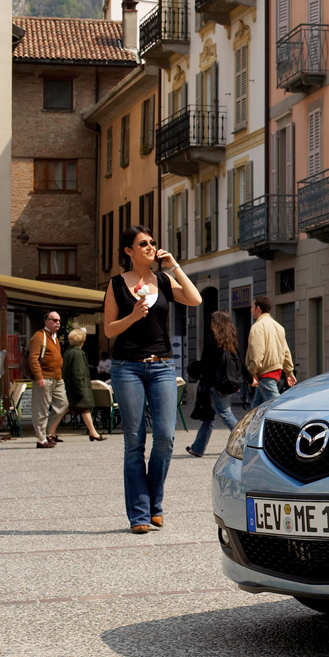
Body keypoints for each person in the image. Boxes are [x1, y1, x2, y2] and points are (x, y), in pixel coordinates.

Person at [103, 225, 202, 534]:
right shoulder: (117, 284)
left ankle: (154, 504)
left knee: (166, 438)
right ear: (128, 251)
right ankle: (140, 515)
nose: (150, 247)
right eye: (142, 243)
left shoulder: (163, 279)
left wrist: (174, 266)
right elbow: (108, 330)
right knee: (134, 442)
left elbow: (195, 299)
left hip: (161, 366)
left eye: (152, 243)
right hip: (126, 367)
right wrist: (132, 316)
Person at [186, 311, 240, 457]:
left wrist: (193, 368)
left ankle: (245, 441)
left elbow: (206, 363)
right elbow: (238, 362)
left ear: (217, 323)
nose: (210, 324)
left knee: (225, 414)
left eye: (212, 321)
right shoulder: (230, 340)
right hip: (224, 384)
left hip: (213, 385)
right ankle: (198, 448)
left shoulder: (213, 339)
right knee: (209, 416)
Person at [27, 311, 69, 449]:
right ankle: (41, 439)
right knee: (41, 409)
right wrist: (38, 377)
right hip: (44, 377)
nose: (57, 322)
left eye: (59, 320)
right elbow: (33, 358)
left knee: (63, 404)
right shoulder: (40, 336)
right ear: (46, 322)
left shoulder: (55, 337)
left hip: (57, 378)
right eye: (54, 320)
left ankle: (47, 433)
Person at [246, 295, 295, 407]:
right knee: (256, 409)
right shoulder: (279, 327)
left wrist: (252, 372)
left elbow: (257, 354)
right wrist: (289, 372)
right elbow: (286, 351)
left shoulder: (257, 327)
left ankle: (290, 421)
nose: (251, 310)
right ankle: (253, 424)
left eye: (252, 306)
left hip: (264, 373)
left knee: (277, 407)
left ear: (258, 308)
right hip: (274, 372)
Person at [61, 327, 105, 442]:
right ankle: (93, 433)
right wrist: (81, 390)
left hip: (69, 387)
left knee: (67, 410)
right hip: (77, 389)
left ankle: (93, 432)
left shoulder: (68, 352)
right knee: (84, 409)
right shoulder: (78, 354)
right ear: (82, 341)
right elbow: (78, 373)